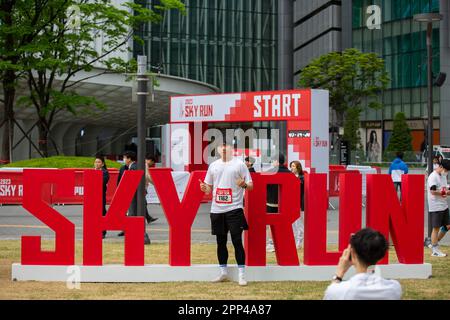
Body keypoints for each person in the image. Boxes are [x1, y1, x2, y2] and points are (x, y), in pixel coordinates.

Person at [199, 142, 253, 286]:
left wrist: (244, 185)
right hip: (217, 209)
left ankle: (241, 274)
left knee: (236, 241)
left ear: (231, 149)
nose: (223, 149)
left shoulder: (239, 164)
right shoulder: (213, 165)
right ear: (217, 150)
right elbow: (208, 189)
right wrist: (204, 188)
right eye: (221, 147)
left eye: (226, 147)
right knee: (220, 242)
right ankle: (223, 272)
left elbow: (251, 186)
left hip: (234, 208)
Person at [324, 228, 402, 300]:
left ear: (352, 253)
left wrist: (339, 274)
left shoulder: (339, 291)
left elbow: (329, 296)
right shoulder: (394, 288)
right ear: (381, 257)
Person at [266, 154, 291, 253]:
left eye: (272, 161)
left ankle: (271, 244)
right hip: (284, 204)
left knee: (270, 225)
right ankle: (283, 243)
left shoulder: (269, 172)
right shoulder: (289, 173)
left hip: (271, 203)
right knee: (283, 225)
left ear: (276, 161)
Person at [427, 159, 450, 257]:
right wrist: (445, 193)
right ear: (440, 167)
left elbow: (444, 188)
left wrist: (447, 191)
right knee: (436, 228)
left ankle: (434, 243)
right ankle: (435, 250)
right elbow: (433, 191)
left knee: (447, 226)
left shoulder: (443, 176)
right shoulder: (433, 176)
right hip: (436, 206)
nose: (447, 172)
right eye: (446, 170)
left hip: (444, 205)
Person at [94, 155, 110, 239]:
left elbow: (101, 183)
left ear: (103, 164)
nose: (96, 164)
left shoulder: (105, 172)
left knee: (102, 213)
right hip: (93, 196)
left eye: (99, 162)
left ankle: (103, 231)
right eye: (95, 162)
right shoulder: (93, 172)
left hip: (100, 196)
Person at [290, 160, 304, 249]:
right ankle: (295, 241)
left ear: (298, 167)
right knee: (292, 224)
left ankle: (300, 241)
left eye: (294, 166)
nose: (292, 168)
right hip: (290, 203)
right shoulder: (289, 176)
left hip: (298, 203)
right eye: (291, 166)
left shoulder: (302, 178)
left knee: (298, 223)